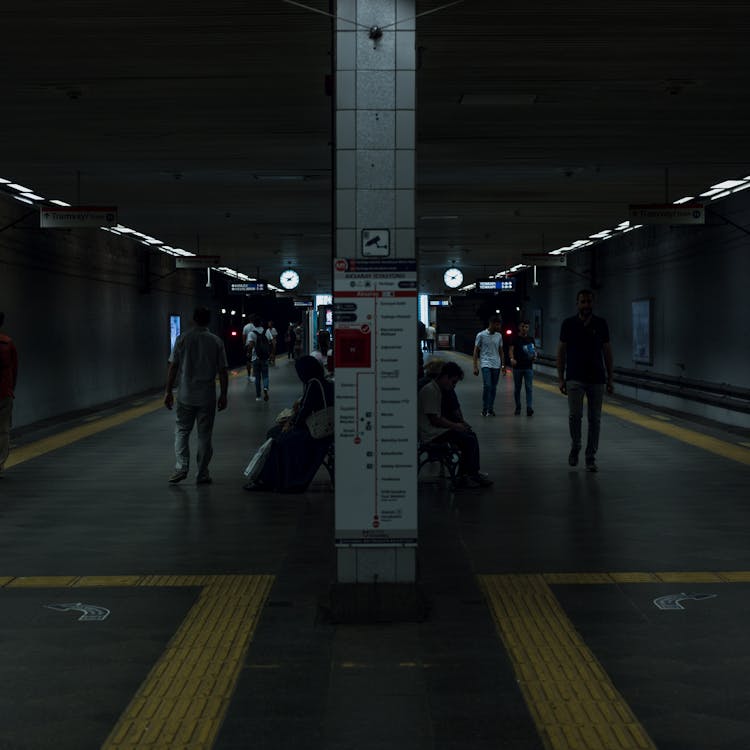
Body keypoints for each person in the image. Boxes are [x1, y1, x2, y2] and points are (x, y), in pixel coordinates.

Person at [244, 356, 334, 492]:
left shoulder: (313, 384)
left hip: (314, 432)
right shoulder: (325, 382)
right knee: (276, 435)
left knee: (276, 438)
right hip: (323, 430)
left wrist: (291, 424)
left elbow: (305, 410)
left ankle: (270, 480)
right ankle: (270, 478)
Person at [164, 306, 228, 484]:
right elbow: (223, 371)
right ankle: (202, 473)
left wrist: (168, 391)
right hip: (207, 396)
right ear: (208, 320)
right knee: (204, 435)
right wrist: (223, 394)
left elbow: (173, 367)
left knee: (182, 431)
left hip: (185, 395)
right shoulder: (216, 341)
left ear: (193, 319)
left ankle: (181, 467)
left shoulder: (183, 339)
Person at [556, 289, 614, 472]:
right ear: (577, 303)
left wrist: (610, 377)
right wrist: (560, 378)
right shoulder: (568, 324)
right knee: (575, 416)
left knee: (594, 419)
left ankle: (590, 457)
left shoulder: (601, 324)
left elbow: (607, 351)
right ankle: (576, 445)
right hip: (574, 377)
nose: (586, 305)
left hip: (597, 378)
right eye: (583, 302)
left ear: (593, 303)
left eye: (589, 302)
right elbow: (561, 352)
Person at [418, 361, 492, 487]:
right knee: (468, 440)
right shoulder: (430, 391)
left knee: (470, 436)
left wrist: (460, 424)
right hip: (431, 434)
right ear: (445, 377)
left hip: (436, 431)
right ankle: (468, 475)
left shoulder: (437, 389)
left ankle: (469, 474)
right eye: (453, 382)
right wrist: (455, 426)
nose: (454, 386)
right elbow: (435, 419)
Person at [472, 315, 506, 416]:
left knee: (493, 387)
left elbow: (501, 351)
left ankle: (491, 408)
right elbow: (475, 351)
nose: (499, 326)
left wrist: (503, 366)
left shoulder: (499, 336)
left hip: (496, 364)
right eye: (497, 324)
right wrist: (475, 366)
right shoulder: (481, 335)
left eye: (500, 324)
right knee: (487, 385)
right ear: (491, 323)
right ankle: (485, 408)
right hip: (485, 363)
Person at [0, 312, 19, 476]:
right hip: (4, 392)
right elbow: (14, 369)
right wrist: (11, 389)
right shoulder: (7, 343)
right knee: (3, 430)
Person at [509, 319, 537, 416]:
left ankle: (529, 407)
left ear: (528, 328)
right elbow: (511, 350)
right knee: (517, 388)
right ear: (519, 327)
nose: (524, 328)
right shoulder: (515, 338)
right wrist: (512, 358)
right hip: (517, 367)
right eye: (522, 326)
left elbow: (533, 351)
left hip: (528, 366)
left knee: (529, 388)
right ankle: (518, 407)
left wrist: (534, 356)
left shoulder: (531, 339)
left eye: (526, 327)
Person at [247, 315, 275, 402]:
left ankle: (258, 396)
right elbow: (271, 342)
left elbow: (251, 345)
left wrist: (248, 353)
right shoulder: (266, 331)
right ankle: (265, 388)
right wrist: (271, 353)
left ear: (253, 324)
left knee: (257, 377)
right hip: (265, 358)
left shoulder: (251, 333)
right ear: (261, 323)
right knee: (265, 375)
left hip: (256, 358)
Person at [242, 317, 256, 381]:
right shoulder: (256, 326)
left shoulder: (245, 327)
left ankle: (248, 375)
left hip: (248, 345)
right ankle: (254, 375)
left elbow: (244, 336)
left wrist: (244, 344)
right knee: (255, 360)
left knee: (248, 360)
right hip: (255, 345)